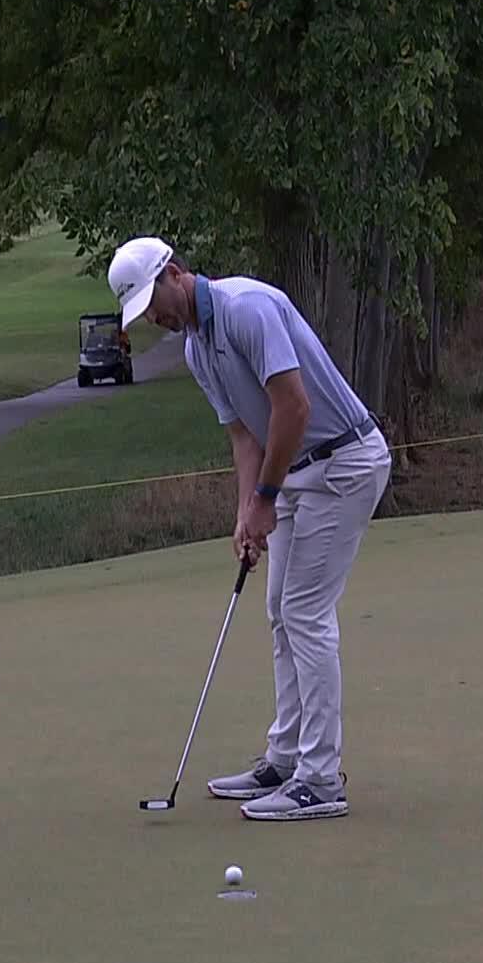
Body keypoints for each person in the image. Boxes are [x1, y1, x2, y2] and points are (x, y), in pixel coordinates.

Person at [107, 235, 391, 822]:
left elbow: (293, 408)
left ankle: (320, 778)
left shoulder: (247, 308)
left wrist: (266, 496)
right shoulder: (195, 349)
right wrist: (246, 511)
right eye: (141, 315)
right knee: (280, 612)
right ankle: (285, 759)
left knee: (306, 613)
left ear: (176, 274)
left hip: (346, 461)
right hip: (295, 473)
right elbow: (245, 435)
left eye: (152, 303)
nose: (155, 319)